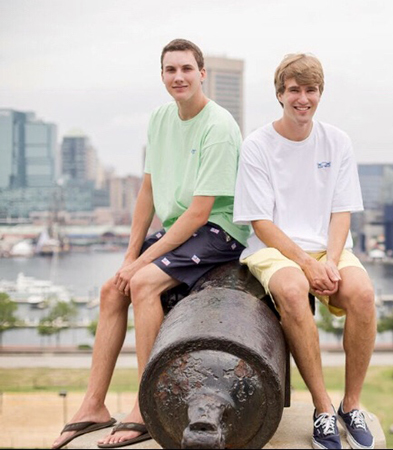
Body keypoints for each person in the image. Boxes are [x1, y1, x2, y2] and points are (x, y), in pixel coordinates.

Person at [51, 38, 249, 449]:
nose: (178, 77)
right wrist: (129, 256)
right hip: (182, 227)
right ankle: (93, 405)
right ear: (162, 75)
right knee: (113, 288)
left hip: (219, 229)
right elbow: (147, 192)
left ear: (202, 74)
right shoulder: (160, 118)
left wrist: (140, 265)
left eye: (186, 69)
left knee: (142, 283)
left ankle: (146, 405)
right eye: (170, 70)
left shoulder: (219, 126)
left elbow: (199, 212)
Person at [234, 53, 377, 450]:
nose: (303, 98)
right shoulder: (258, 145)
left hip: (327, 248)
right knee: (295, 291)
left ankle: (352, 405)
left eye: (310, 90)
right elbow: (260, 222)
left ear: (319, 93)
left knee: (363, 295)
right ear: (280, 94)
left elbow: (341, 211)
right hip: (274, 249)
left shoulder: (337, 141)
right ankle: (323, 410)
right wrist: (305, 265)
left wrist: (330, 261)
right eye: (294, 90)